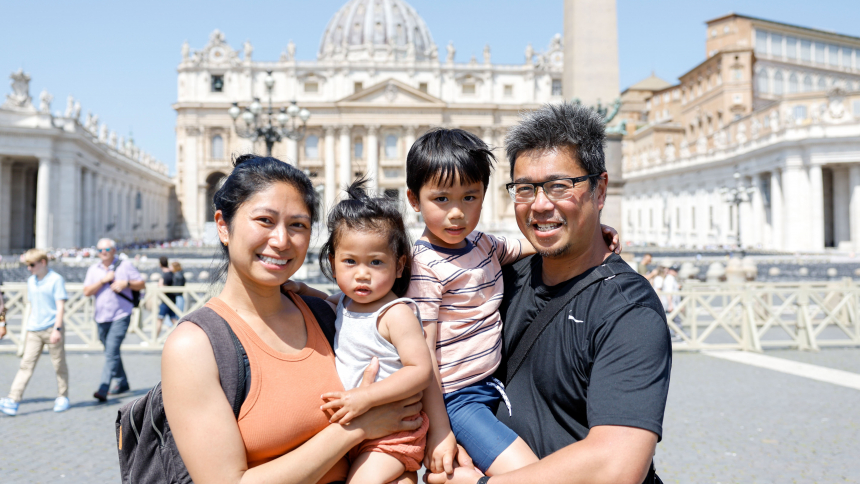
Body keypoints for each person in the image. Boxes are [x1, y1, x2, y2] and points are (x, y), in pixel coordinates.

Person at [427, 103, 671, 484]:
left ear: (599, 189)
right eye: (525, 188)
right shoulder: (499, 276)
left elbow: (617, 467)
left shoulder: (629, 311)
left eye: (559, 186)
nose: (540, 204)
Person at [161, 154, 424, 484]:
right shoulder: (194, 347)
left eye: (298, 225)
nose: (282, 240)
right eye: (265, 221)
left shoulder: (328, 315)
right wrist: (357, 428)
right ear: (223, 226)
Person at [400, 128, 621, 476]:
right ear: (414, 200)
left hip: (492, 387)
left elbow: (536, 243)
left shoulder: (485, 246)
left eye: (469, 198)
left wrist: (593, 231)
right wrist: (440, 429)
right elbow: (423, 354)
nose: (456, 213)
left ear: (484, 195)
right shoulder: (425, 268)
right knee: (530, 472)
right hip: (457, 399)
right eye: (441, 200)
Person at [309, 178, 439, 483]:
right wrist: (299, 288)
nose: (362, 274)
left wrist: (366, 398)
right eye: (350, 262)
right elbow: (324, 300)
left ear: (399, 265)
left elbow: (420, 370)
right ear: (333, 262)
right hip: (361, 434)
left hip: (393, 436)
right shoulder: (345, 301)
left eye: (376, 262)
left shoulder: (395, 313)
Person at [0, 249, 70, 416]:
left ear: (43, 263)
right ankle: (13, 399)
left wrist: (57, 329)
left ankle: (63, 396)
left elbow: (60, 307)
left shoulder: (56, 280)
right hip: (34, 329)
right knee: (26, 365)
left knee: (58, 364)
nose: (29, 268)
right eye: (27, 265)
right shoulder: (31, 281)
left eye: (32, 265)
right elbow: (31, 306)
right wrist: (27, 328)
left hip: (52, 328)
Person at [83, 238, 145, 401]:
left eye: (107, 250)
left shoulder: (125, 265)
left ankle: (103, 387)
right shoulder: (93, 269)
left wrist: (126, 283)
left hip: (121, 315)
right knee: (112, 352)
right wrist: (102, 281)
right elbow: (87, 291)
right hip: (100, 316)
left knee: (111, 351)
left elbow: (141, 284)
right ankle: (122, 382)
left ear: (114, 250)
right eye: (100, 250)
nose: (103, 253)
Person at [154, 256, 177, 338]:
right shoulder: (171, 273)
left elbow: (164, 290)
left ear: (160, 264)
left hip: (166, 301)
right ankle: (181, 334)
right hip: (171, 299)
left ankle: (154, 339)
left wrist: (160, 285)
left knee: (159, 319)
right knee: (173, 319)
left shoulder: (166, 274)